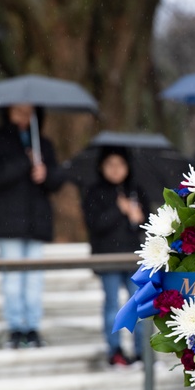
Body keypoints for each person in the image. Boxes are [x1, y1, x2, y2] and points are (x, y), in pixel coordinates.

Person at [0, 103, 66, 349]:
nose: (24, 116)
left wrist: (45, 173)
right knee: (13, 278)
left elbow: (57, 180)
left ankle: (33, 327)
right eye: (18, 111)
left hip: (36, 222)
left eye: (29, 111)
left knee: (35, 278)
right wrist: (23, 164)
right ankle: (16, 327)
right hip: (7, 222)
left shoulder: (43, 144)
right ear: (7, 111)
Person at [81, 146, 147, 366]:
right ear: (101, 167)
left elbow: (147, 223)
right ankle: (115, 351)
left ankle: (142, 351)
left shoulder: (135, 190)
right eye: (111, 164)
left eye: (121, 164)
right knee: (112, 305)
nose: (116, 169)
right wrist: (117, 209)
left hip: (133, 256)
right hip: (107, 256)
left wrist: (138, 216)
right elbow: (94, 224)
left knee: (139, 304)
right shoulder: (94, 191)